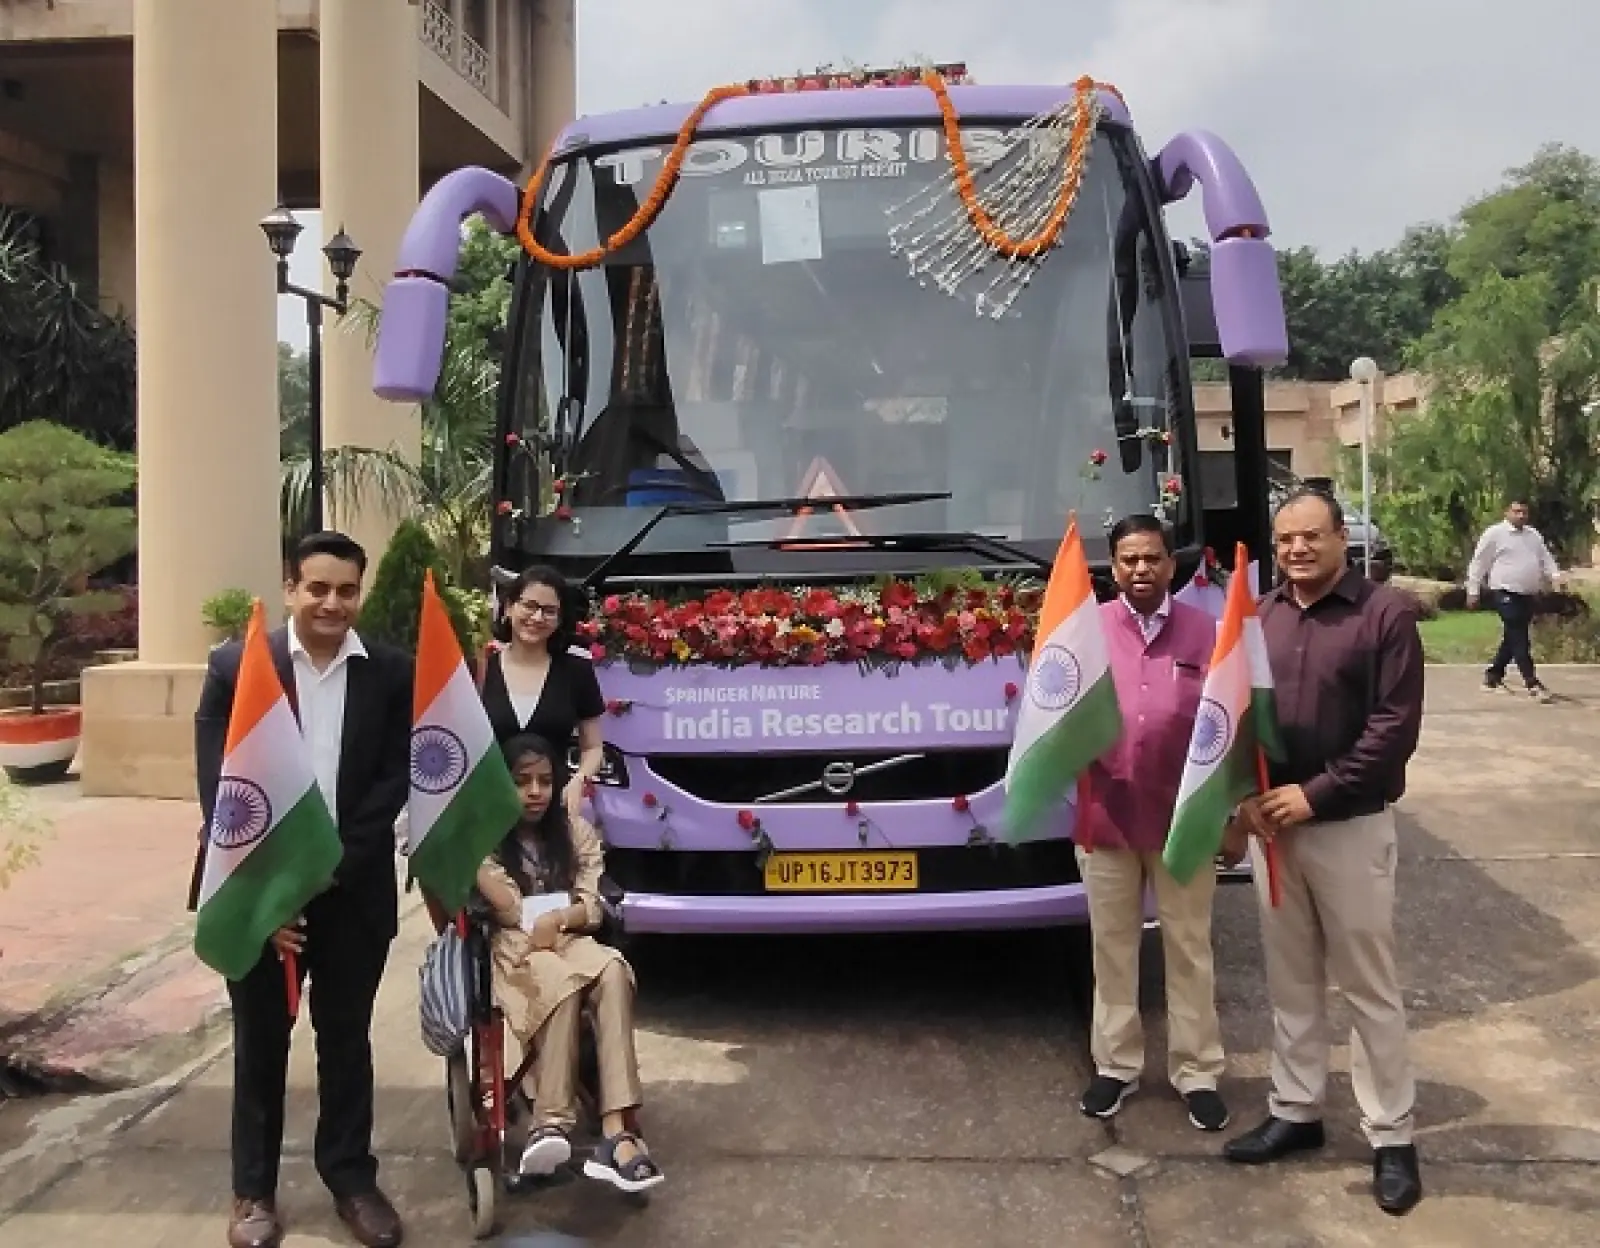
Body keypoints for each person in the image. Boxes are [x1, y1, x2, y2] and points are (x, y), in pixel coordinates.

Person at [193, 531, 413, 1248]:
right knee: (261, 1043)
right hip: (260, 892)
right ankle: (252, 1191)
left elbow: (390, 780)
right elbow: (221, 788)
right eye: (317, 588)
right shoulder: (238, 667)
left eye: (346, 590)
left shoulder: (389, 672)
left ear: (360, 592)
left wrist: (324, 871)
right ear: (290, 588)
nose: (331, 602)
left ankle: (351, 1179)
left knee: (345, 1039)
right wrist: (268, 893)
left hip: (353, 890)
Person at [1223, 489, 1426, 1217]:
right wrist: (1244, 796)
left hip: (1348, 825)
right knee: (1292, 981)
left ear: (1344, 538)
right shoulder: (1261, 617)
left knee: (1368, 985)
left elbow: (1392, 729)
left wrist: (1317, 793)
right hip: (1276, 831)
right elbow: (1238, 713)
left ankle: (1391, 1135)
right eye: (1284, 541)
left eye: (1311, 536)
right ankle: (1296, 1110)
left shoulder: (1385, 615)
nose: (1297, 550)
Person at [1075, 515, 1229, 1131]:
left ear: (1172, 565)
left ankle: (1197, 1073)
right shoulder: (1085, 634)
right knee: (1112, 948)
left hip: (1182, 820)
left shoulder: (1206, 632)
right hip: (1105, 819)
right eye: (1129, 560)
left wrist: (1231, 814)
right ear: (1113, 568)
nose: (1141, 570)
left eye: (1153, 559)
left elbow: (1227, 725)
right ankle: (1115, 1067)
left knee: (1189, 948)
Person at [475, 733, 664, 1192]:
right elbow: (510, 908)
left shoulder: (574, 831)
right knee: (560, 979)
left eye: (544, 780)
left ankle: (616, 1132)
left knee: (613, 967)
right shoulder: (486, 839)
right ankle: (551, 1121)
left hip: (567, 938)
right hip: (516, 952)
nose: (535, 792)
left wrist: (562, 916)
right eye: (522, 782)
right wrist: (474, 849)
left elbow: (593, 901)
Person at [481, 566, 605, 815]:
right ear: (508, 607)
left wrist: (579, 780)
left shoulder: (577, 671)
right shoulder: (479, 670)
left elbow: (593, 747)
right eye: (529, 606)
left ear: (560, 620)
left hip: (552, 810)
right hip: (488, 813)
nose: (537, 618)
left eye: (549, 611)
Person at [1466, 498, 1566, 703]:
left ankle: (1492, 676)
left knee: (1513, 637)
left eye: (1524, 512)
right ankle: (1532, 682)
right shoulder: (1495, 534)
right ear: (1507, 512)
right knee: (1520, 635)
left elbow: (1544, 558)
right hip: (1504, 593)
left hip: (1527, 594)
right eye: (1516, 511)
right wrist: (1473, 590)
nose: (1521, 516)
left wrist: (1555, 576)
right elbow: (1479, 562)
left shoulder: (1533, 535)